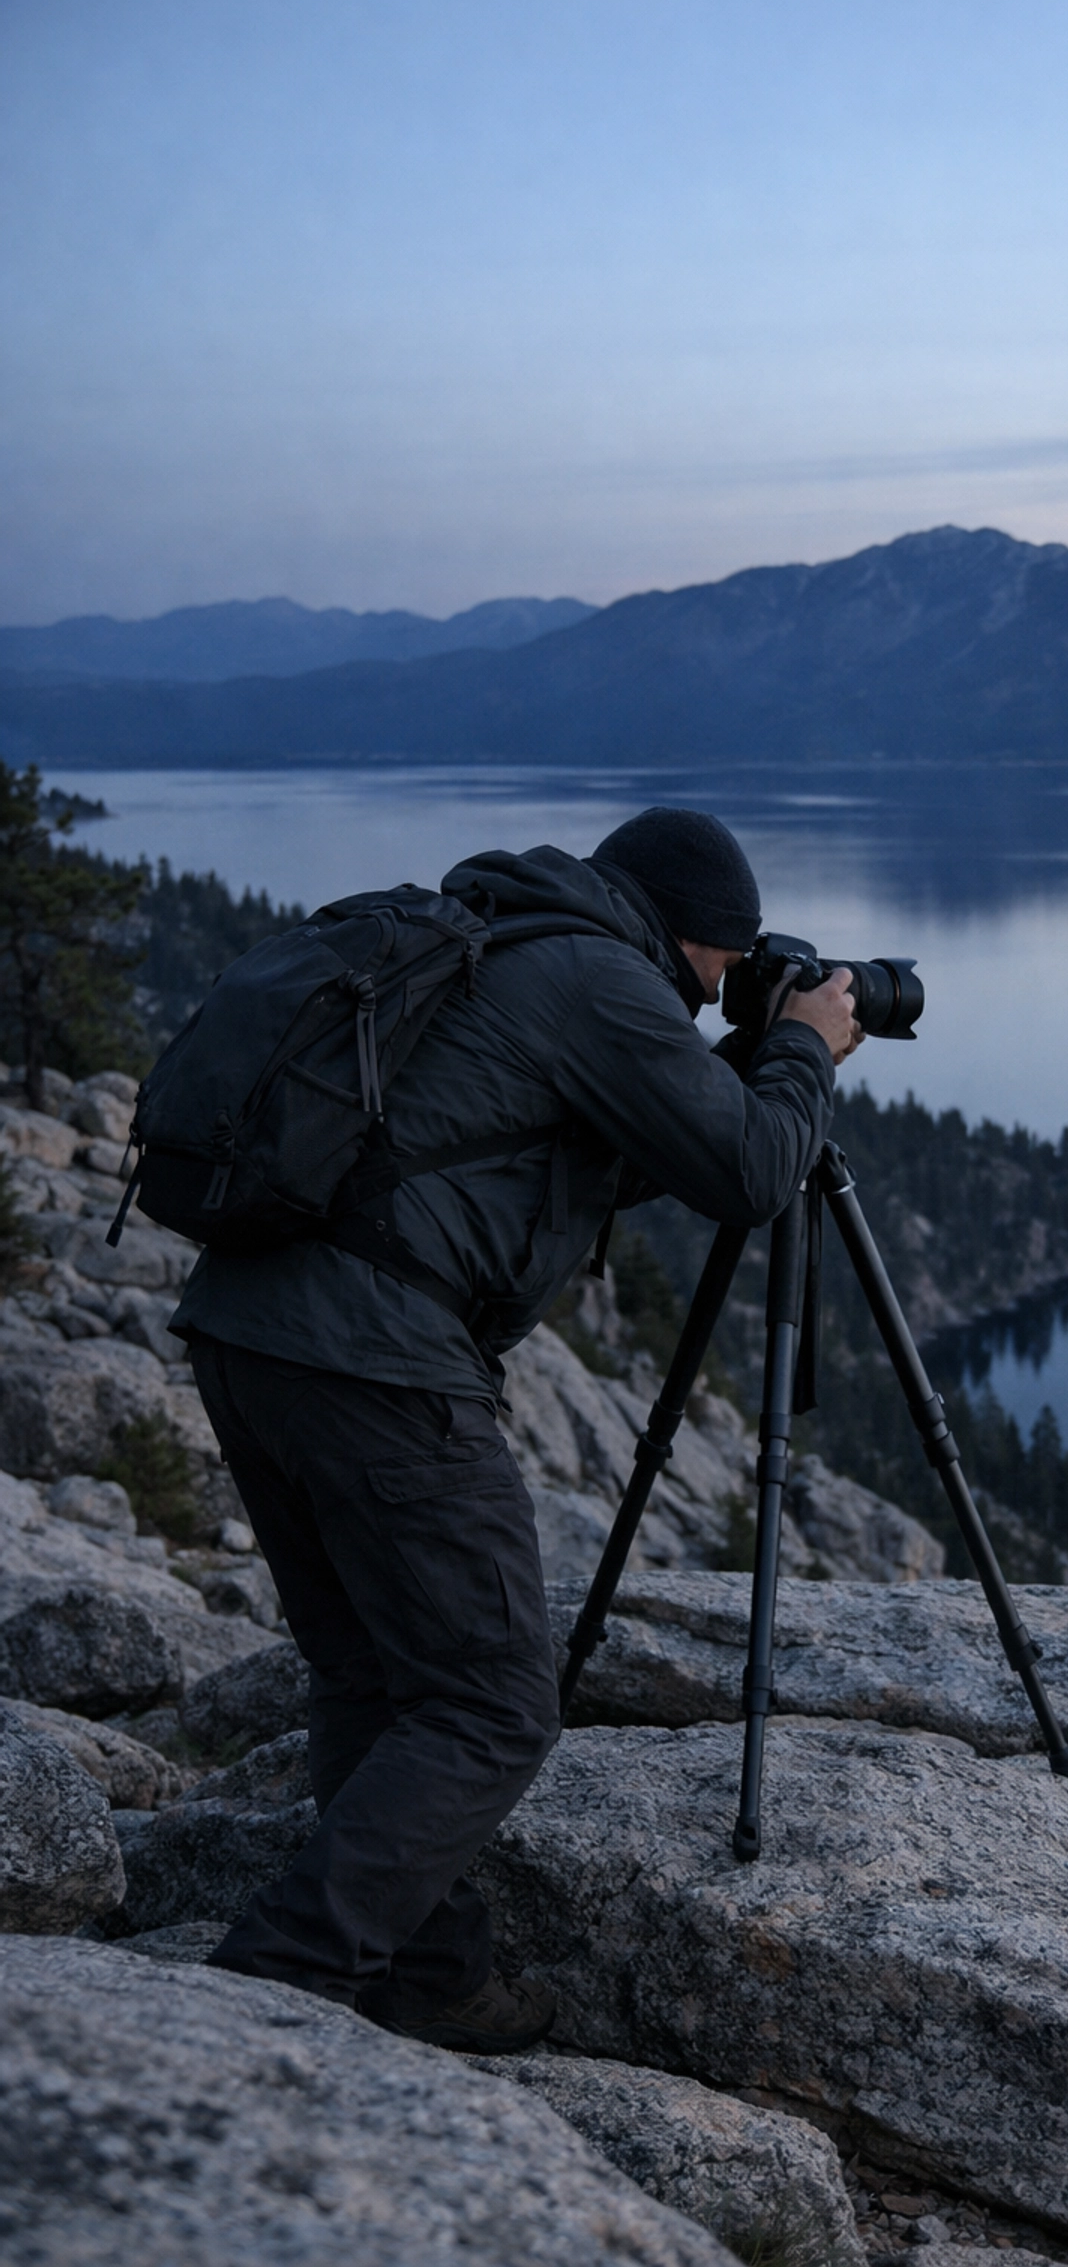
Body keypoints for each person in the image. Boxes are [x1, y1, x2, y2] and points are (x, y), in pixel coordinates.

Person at [170, 808, 860, 2052]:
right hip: (374, 1362)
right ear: (691, 935)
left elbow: (574, 1148)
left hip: (248, 1328)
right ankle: (267, 1995)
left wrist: (740, 1055)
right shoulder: (600, 978)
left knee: (377, 1673)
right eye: (721, 971)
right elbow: (755, 1172)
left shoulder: (509, 936)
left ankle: (426, 1973)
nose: (715, 1001)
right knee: (492, 1703)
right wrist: (803, 1051)